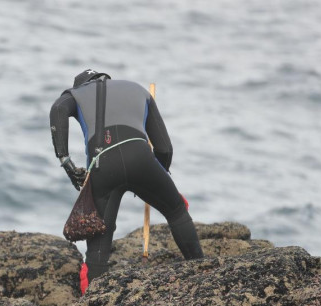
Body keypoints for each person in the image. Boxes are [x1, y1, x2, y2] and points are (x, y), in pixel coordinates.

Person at [49, 69, 204, 293]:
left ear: (82, 85)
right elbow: (164, 149)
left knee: (99, 238)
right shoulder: (140, 90)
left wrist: (66, 161)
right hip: (141, 158)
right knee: (177, 210)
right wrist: (158, 177)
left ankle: (93, 303)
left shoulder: (76, 94)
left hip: (103, 164)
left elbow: (57, 109)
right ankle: (201, 270)